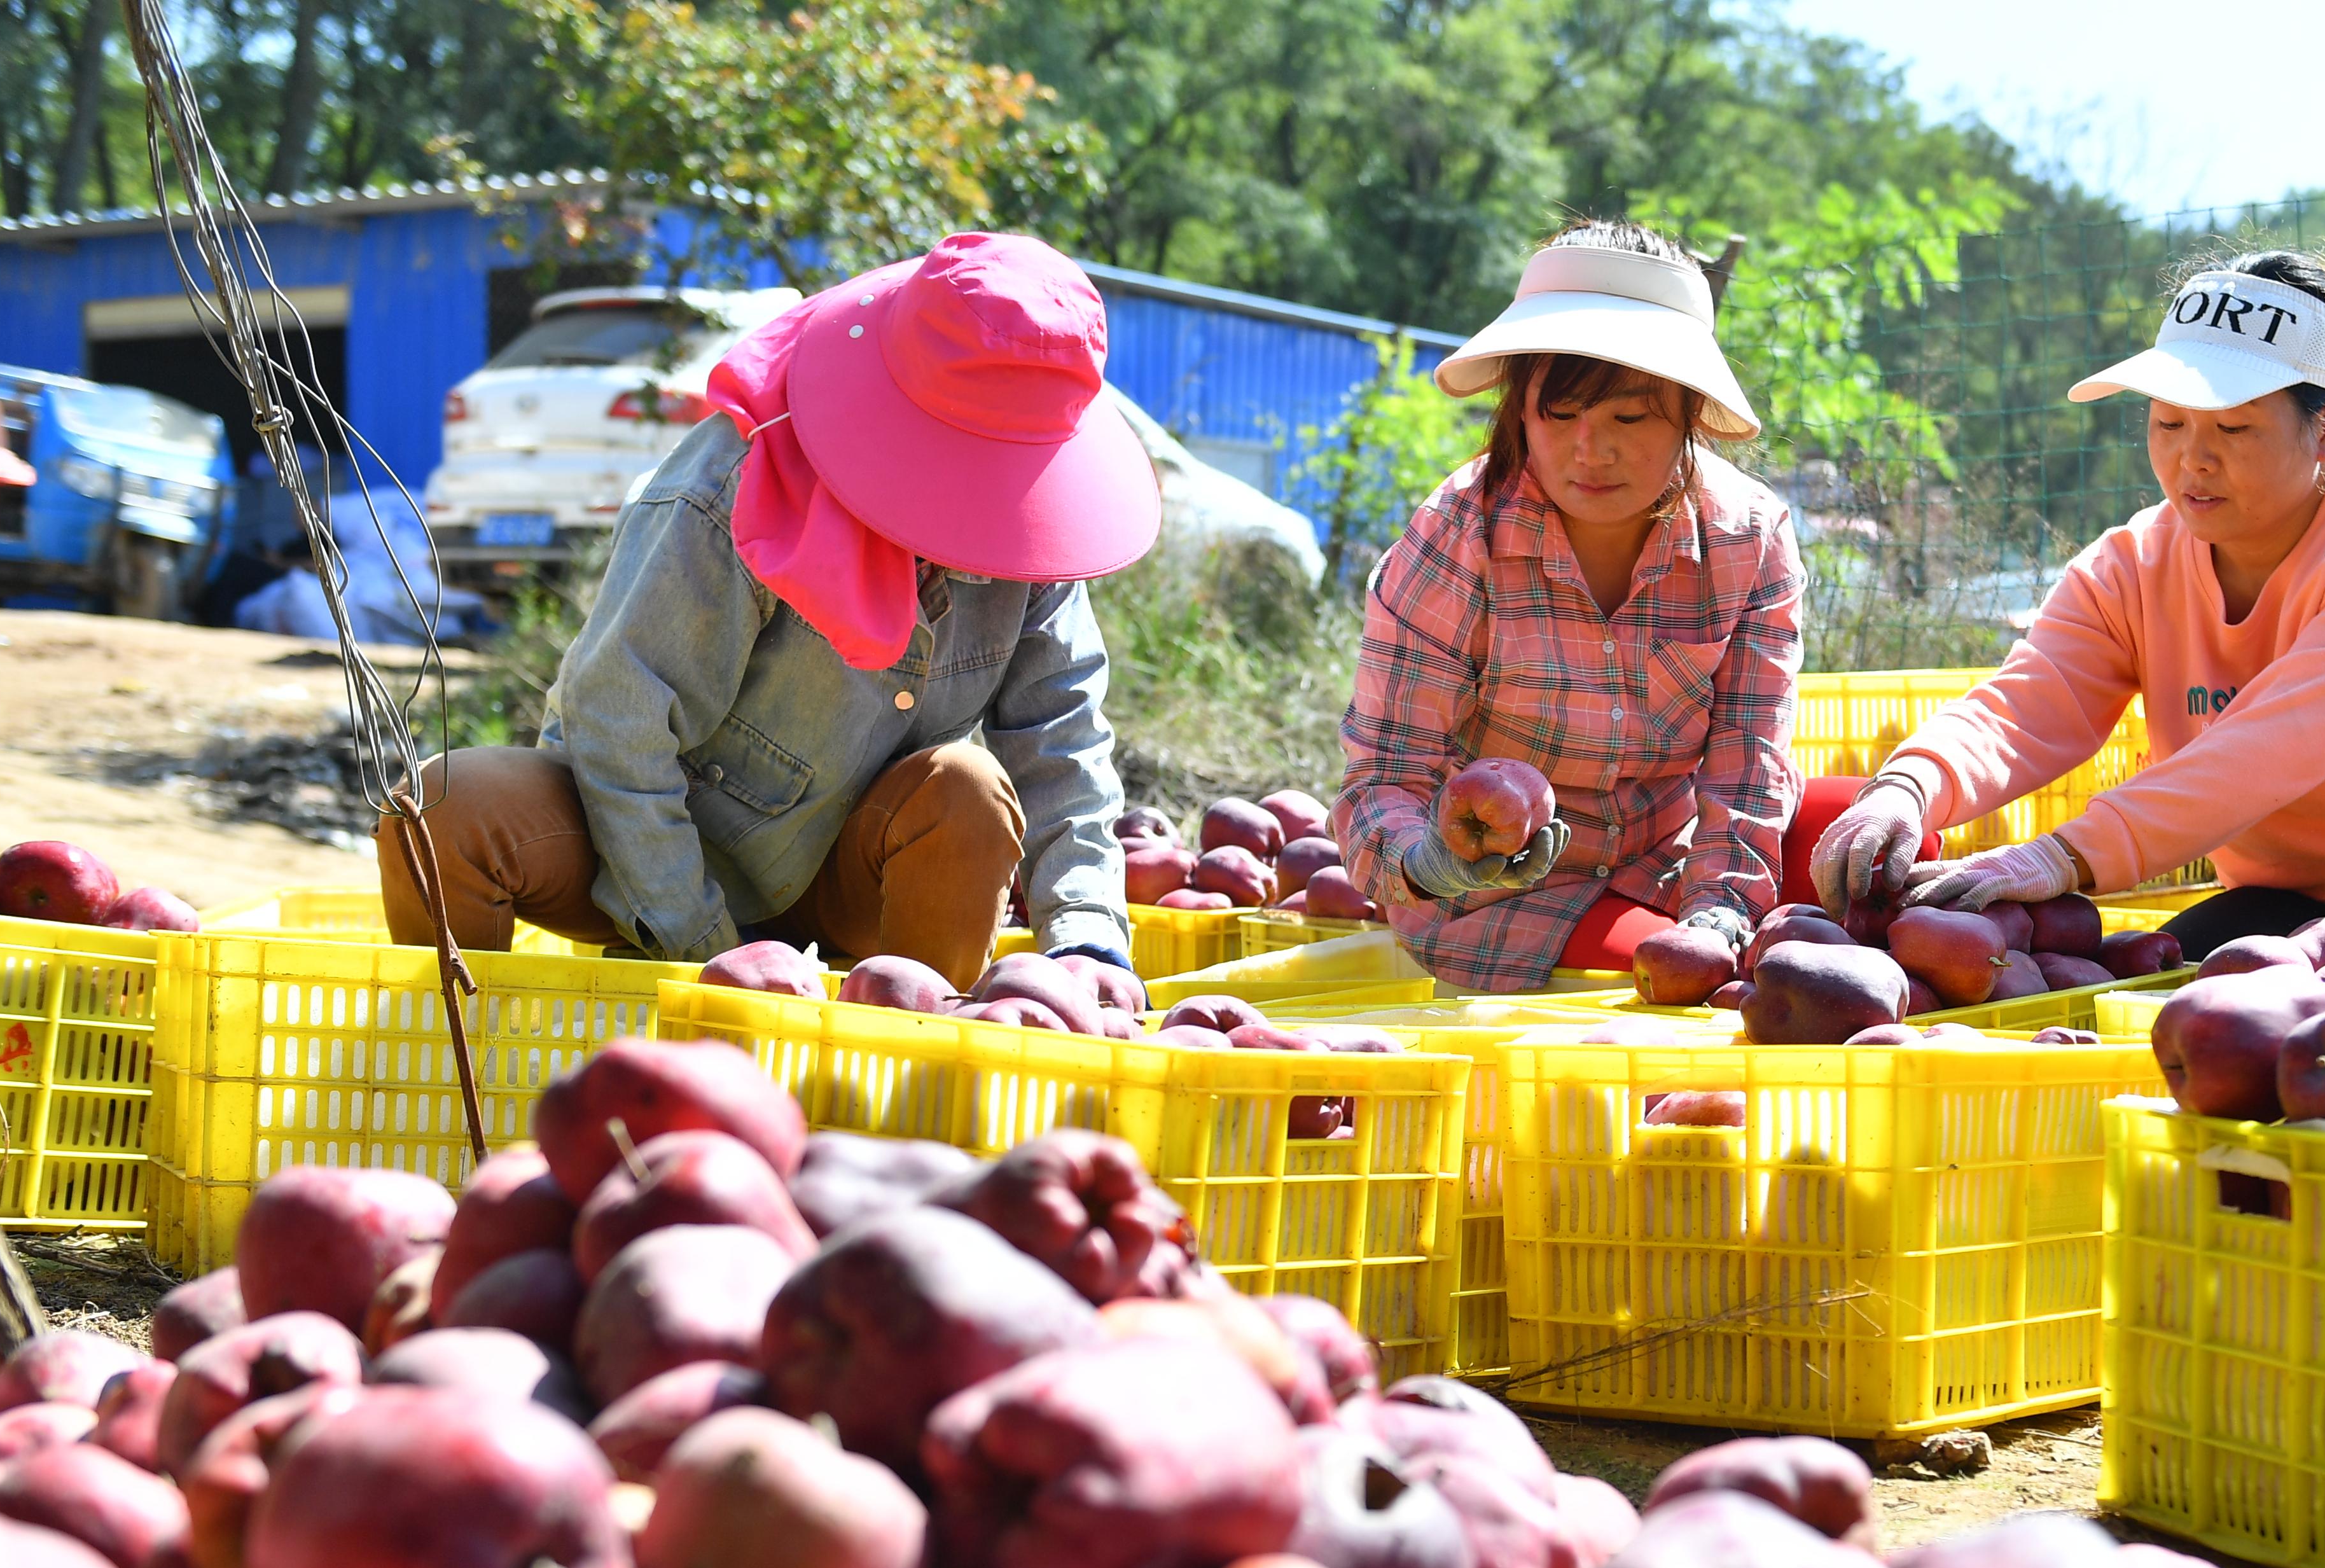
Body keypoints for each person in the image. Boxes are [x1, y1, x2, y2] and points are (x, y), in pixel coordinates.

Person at [379, 233, 1158, 990]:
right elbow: (619, 723)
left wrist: (1087, 937)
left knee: (968, 789)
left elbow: (1062, 735)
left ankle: (911, 1056)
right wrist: (709, 954)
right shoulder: (738, 484)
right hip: (633, 845)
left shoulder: (1032, 530)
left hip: (843, 867)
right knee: (445, 811)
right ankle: (458, 1062)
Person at [1808, 251, 2325, 955]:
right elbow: (2028, 704)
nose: (2193, 459)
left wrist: (2056, 857)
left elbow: (2269, 750)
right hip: (2295, 903)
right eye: (2168, 422)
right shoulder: (2132, 566)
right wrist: (1908, 787)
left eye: (2235, 427)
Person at [1333, 222, 1804, 992]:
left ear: (1689, 415)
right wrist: (1430, 864)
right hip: (1501, 898)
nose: (1592, 450)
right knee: (1678, 978)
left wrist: (1721, 911)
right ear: (1520, 411)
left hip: (1666, 859)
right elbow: (1385, 772)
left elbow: (1749, 763)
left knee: (1872, 848)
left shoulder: (1747, 538)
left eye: (1629, 417)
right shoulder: (1458, 536)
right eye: (1560, 415)